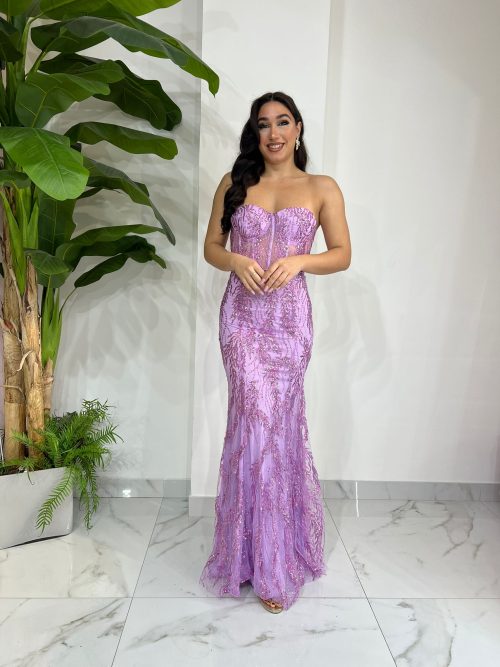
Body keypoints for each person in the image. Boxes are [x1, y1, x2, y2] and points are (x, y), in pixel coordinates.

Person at [199, 91, 351, 613]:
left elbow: (342, 254)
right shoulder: (234, 183)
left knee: (277, 426)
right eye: (263, 124)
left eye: (283, 122)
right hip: (241, 321)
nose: (274, 133)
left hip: (289, 324)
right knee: (252, 425)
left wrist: (301, 261)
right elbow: (211, 247)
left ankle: (275, 560)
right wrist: (235, 262)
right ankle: (245, 557)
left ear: (298, 128)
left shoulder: (321, 187)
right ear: (255, 133)